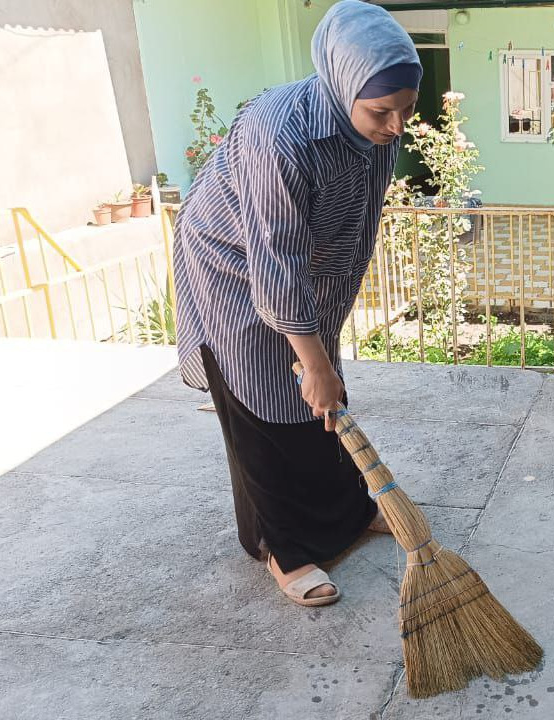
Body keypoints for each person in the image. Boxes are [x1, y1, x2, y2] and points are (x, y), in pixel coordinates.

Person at [170, 1, 421, 607]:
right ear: (340, 84)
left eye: (407, 110)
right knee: (264, 403)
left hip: (307, 268)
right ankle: (284, 548)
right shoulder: (277, 135)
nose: (395, 127)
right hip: (232, 265)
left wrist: (320, 344)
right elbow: (272, 258)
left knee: (321, 401)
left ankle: (349, 514)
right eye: (381, 112)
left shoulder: (377, 132)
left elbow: (359, 219)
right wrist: (312, 358)